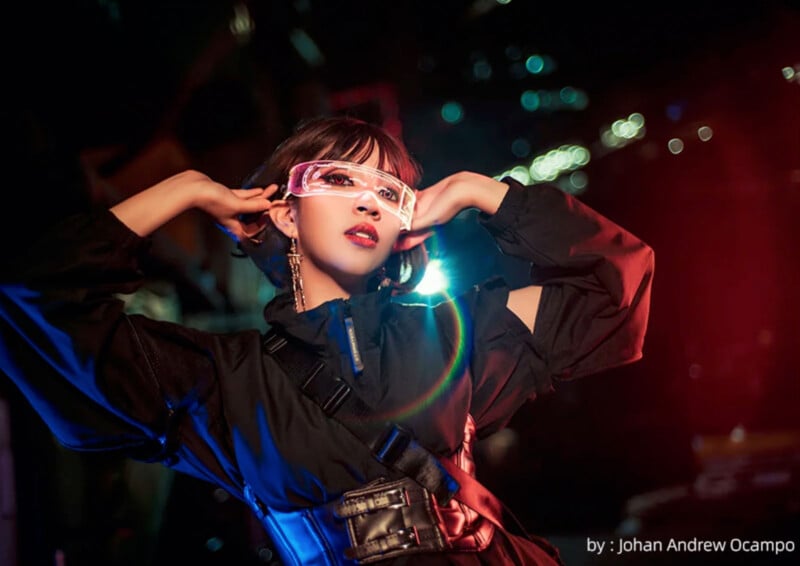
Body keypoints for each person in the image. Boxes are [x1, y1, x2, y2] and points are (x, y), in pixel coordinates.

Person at [0, 115, 654, 565]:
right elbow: (43, 299)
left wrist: (473, 190)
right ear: (283, 210)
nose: (369, 202)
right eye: (339, 179)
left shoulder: (458, 336)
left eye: (390, 192)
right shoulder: (222, 382)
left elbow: (614, 286)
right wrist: (186, 189)